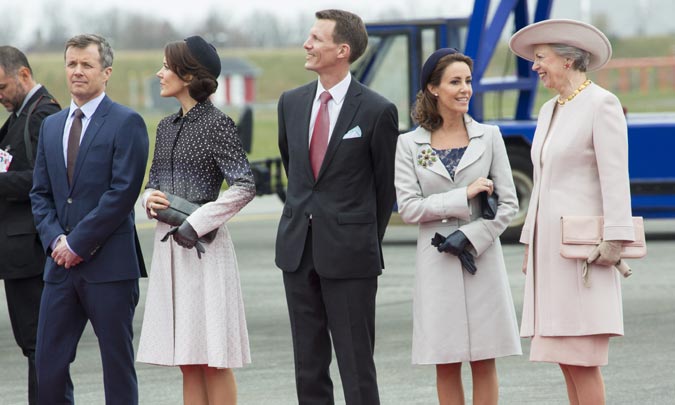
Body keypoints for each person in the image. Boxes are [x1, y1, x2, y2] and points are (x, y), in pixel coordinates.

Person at [275, 9, 399, 405]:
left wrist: (358, 238)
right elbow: (296, 170)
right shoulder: (290, 103)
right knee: (308, 367)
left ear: (342, 50)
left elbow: (383, 190)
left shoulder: (377, 111)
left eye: (316, 38)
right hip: (298, 251)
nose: (306, 45)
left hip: (351, 256)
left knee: (356, 367)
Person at [509, 19, 635, 405]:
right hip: (550, 255)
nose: (535, 66)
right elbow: (545, 183)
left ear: (568, 60)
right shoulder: (549, 110)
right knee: (564, 356)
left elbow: (616, 179)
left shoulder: (602, 104)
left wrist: (616, 239)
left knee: (582, 358)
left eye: (541, 58)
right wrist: (529, 242)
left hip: (585, 252)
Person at [394, 48, 521, 404]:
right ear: (433, 88)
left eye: (467, 81)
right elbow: (409, 208)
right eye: (455, 82)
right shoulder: (408, 145)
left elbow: (509, 204)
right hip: (436, 264)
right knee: (445, 361)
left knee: (485, 358)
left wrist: (470, 234)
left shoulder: (490, 137)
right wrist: (463, 195)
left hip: (482, 260)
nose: (465, 89)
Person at [29, 34, 149, 404]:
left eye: (87, 64)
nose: (77, 71)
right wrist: (55, 242)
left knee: (117, 367)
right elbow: (41, 194)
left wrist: (77, 243)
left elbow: (122, 194)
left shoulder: (127, 122)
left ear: (106, 72)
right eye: (71, 64)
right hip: (60, 269)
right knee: (47, 366)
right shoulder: (52, 125)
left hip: (109, 268)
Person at [136, 36, 255, 404]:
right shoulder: (165, 126)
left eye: (167, 66)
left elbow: (244, 184)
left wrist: (197, 222)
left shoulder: (217, 124)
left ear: (188, 75)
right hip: (171, 253)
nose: (159, 73)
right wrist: (147, 198)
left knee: (213, 360)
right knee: (187, 359)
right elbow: (153, 184)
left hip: (206, 250)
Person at [0, 45, 60, 405]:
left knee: (40, 345)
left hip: (32, 251)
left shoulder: (42, 115)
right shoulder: (21, 114)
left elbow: (43, 179)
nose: (0, 96)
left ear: (24, 74)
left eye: (3, 86)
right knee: (33, 346)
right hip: (18, 251)